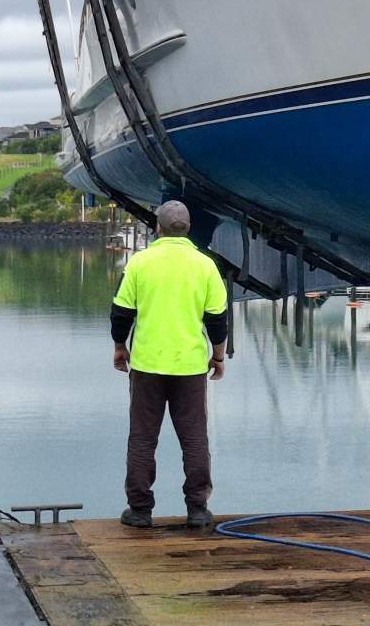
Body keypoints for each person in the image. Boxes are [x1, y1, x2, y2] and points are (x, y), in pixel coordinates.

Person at [109, 200, 228, 529]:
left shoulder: (139, 263)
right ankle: (197, 509)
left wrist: (120, 347)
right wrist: (218, 357)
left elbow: (121, 313)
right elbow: (217, 320)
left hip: (147, 364)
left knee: (143, 438)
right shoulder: (205, 266)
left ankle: (140, 509)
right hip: (189, 367)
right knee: (194, 438)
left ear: (157, 228)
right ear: (188, 228)